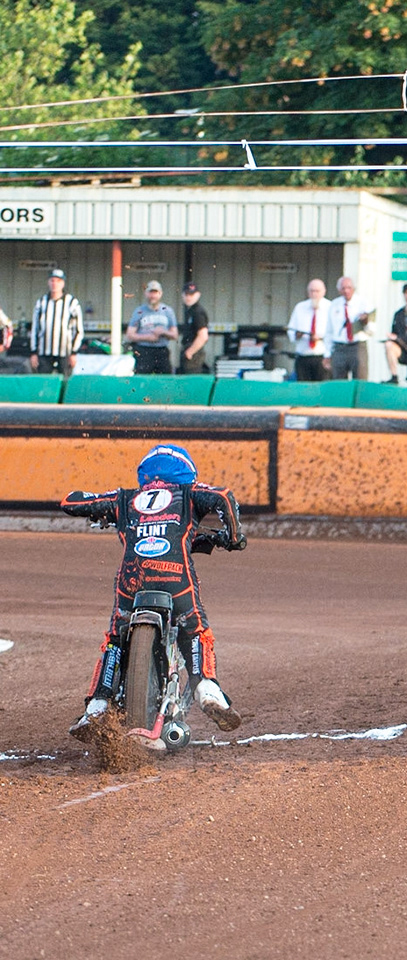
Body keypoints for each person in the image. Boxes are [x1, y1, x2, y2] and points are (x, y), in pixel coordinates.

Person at [60, 444, 248, 743]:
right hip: (177, 580)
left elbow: (70, 501)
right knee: (196, 630)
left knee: (114, 640)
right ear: (186, 475)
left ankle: (96, 708)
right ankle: (208, 691)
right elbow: (223, 496)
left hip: (131, 583)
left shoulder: (125, 498)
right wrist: (235, 538)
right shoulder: (188, 494)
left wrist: (102, 510)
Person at [30, 268, 86, 376]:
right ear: (48, 282)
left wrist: (74, 352)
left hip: (65, 353)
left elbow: (78, 330)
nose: (55, 284)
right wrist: (33, 352)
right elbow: (35, 329)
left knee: (65, 383)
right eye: (52, 280)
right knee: (44, 382)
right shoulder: (41, 302)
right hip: (44, 352)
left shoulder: (71, 302)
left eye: (58, 281)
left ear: (63, 283)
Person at [327, 275, 374, 381]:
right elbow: (329, 331)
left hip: (357, 346)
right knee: (338, 382)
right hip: (339, 347)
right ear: (339, 290)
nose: (346, 291)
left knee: (360, 379)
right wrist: (328, 353)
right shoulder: (334, 304)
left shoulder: (364, 303)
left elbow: (372, 330)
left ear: (354, 288)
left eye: (349, 288)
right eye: (343, 288)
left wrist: (365, 322)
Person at [127, 280, 179, 375]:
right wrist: (148, 338)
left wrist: (164, 332)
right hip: (144, 351)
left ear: (160, 294)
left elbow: (175, 335)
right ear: (146, 294)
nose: (153, 296)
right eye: (150, 292)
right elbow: (130, 334)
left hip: (162, 350)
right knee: (142, 380)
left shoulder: (168, 311)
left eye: (155, 293)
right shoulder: (139, 311)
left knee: (165, 380)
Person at [286, 279, 332, 382]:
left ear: (323, 292)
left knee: (321, 387)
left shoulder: (330, 307)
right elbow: (291, 330)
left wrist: (320, 337)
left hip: (322, 356)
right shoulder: (300, 307)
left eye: (317, 291)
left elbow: (335, 333)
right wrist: (297, 335)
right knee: (303, 387)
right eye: (312, 291)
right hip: (303, 355)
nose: (314, 294)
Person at [177, 283, 212, 375]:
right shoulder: (190, 311)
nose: (189, 297)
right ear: (183, 295)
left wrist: (190, 352)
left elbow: (203, 336)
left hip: (194, 353)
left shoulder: (198, 312)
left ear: (198, 295)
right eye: (187, 294)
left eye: (192, 295)